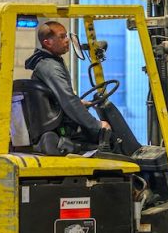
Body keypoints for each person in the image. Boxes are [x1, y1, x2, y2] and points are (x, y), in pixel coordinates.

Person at [24, 21, 110, 154]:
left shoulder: (47, 62)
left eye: (67, 36)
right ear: (48, 43)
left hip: (58, 125)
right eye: (62, 37)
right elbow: (68, 101)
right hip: (61, 130)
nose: (67, 40)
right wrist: (97, 125)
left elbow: (57, 98)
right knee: (109, 139)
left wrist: (79, 103)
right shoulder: (50, 66)